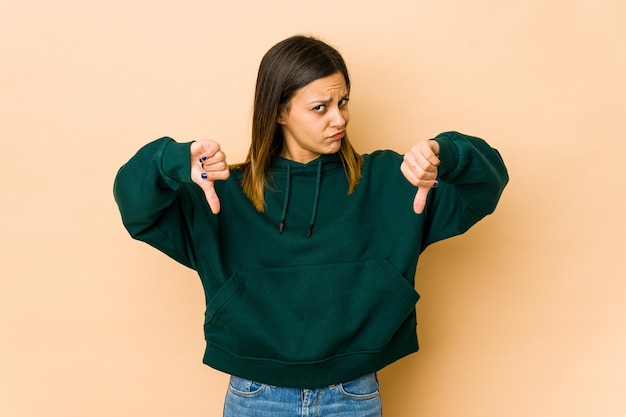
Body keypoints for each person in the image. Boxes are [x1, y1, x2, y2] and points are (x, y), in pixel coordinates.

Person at [113, 35, 508, 417]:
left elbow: (488, 184)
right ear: (280, 111)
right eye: (321, 107)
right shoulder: (221, 193)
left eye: (343, 102)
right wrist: (173, 161)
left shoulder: (394, 179)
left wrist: (446, 154)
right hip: (255, 395)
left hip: (353, 394)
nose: (340, 119)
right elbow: (135, 206)